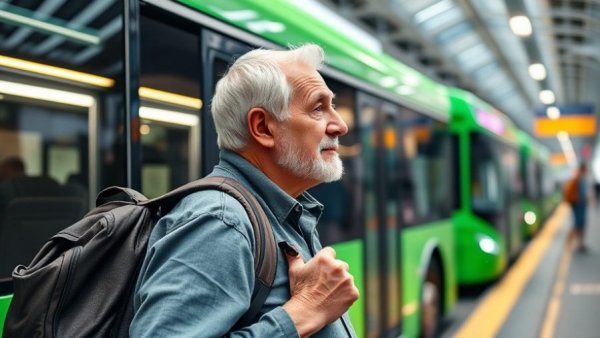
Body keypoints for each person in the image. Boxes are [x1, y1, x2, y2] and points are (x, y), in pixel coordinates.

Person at [130, 44, 359, 337]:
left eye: (333, 106)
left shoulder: (278, 211)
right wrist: (303, 312)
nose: (339, 125)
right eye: (318, 108)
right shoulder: (220, 221)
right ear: (263, 127)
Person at [566, 162, 589, 252]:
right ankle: (568, 245)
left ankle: (580, 244)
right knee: (577, 225)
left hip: (581, 205)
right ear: (583, 169)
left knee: (581, 225)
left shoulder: (581, 178)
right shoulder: (578, 178)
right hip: (578, 205)